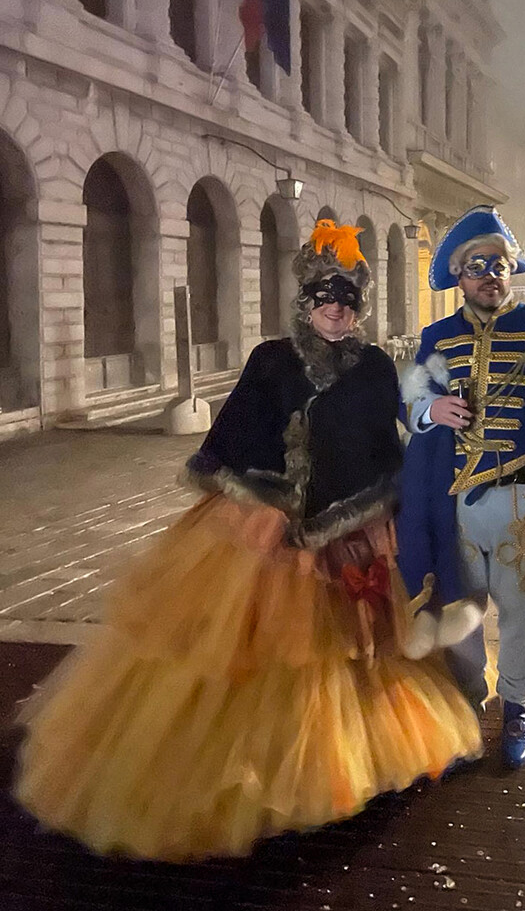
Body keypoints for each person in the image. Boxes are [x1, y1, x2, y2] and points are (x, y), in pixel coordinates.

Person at [14, 220, 482, 862]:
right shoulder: (271, 359)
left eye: (348, 302)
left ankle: (330, 769)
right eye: (326, 300)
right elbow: (239, 430)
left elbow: (392, 428)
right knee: (250, 650)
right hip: (270, 526)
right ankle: (249, 777)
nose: (337, 311)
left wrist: (422, 448)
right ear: (306, 304)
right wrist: (265, 501)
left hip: (351, 526)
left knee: (348, 651)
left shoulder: (373, 365)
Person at [397, 206, 525, 770]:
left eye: (500, 264)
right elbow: (408, 401)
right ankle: (466, 706)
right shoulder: (436, 335)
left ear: (512, 271)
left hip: (517, 498)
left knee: (519, 608)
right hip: (452, 500)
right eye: (478, 265)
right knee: (460, 605)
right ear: (459, 275)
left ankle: (517, 708)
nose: (490, 275)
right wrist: (429, 408)